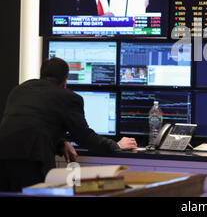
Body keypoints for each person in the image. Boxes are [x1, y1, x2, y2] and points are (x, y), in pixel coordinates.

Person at [0, 57, 137, 192]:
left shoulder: (19, 90)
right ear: (65, 81)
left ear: (41, 75)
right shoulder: (68, 97)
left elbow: (31, 122)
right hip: (31, 161)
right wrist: (117, 145)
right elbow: (85, 138)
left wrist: (61, 142)